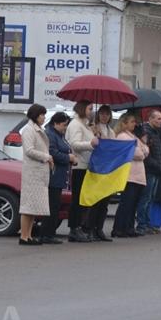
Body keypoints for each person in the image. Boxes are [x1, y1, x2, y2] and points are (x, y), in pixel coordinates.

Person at [79, 105, 117, 241]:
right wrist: (96, 135)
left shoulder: (111, 131)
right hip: (96, 168)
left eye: (107, 114)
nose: (105, 116)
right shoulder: (93, 127)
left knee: (104, 202)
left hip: (107, 168)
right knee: (95, 200)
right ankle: (89, 228)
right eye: (102, 114)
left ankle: (99, 228)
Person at [18, 104, 53, 246]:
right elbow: (29, 150)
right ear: (35, 116)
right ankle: (24, 236)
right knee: (28, 206)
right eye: (42, 115)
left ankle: (29, 235)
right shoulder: (28, 130)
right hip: (32, 173)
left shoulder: (38, 129)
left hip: (39, 173)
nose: (44, 117)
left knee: (33, 207)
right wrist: (47, 157)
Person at [64, 100, 98, 238]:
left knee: (85, 198)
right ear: (83, 109)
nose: (92, 112)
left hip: (88, 166)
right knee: (78, 198)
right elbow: (75, 144)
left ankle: (82, 226)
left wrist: (95, 134)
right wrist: (90, 144)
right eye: (90, 109)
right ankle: (74, 227)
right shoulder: (75, 124)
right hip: (79, 166)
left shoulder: (86, 125)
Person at [112, 116, 148, 238]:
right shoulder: (123, 136)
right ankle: (119, 228)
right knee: (126, 203)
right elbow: (137, 153)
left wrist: (142, 149)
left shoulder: (133, 136)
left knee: (133, 203)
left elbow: (146, 149)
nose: (134, 124)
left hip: (138, 175)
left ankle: (129, 227)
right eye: (132, 121)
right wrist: (141, 150)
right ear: (124, 123)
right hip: (129, 175)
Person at [42, 111, 74, 244]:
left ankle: (50, 232)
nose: (65, 128)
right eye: (63, 125)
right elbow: (52, 152)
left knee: (55, 205)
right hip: (53, 175)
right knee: (51, 205)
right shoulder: (50, 134)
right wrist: (68, 158)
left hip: (60, 175)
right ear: (55, 123)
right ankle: (46, 234)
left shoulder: (59, 135)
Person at [139, 109, 161, 235]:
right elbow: (148, 154)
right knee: (145, 198)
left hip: (157, 169)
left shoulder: (156, 132)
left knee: (151, 198)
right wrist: (156, 164)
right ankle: (142, 224)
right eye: (158, 118)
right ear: (150, 119)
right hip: (150, 170)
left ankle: (147, 223)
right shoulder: (146, 132)